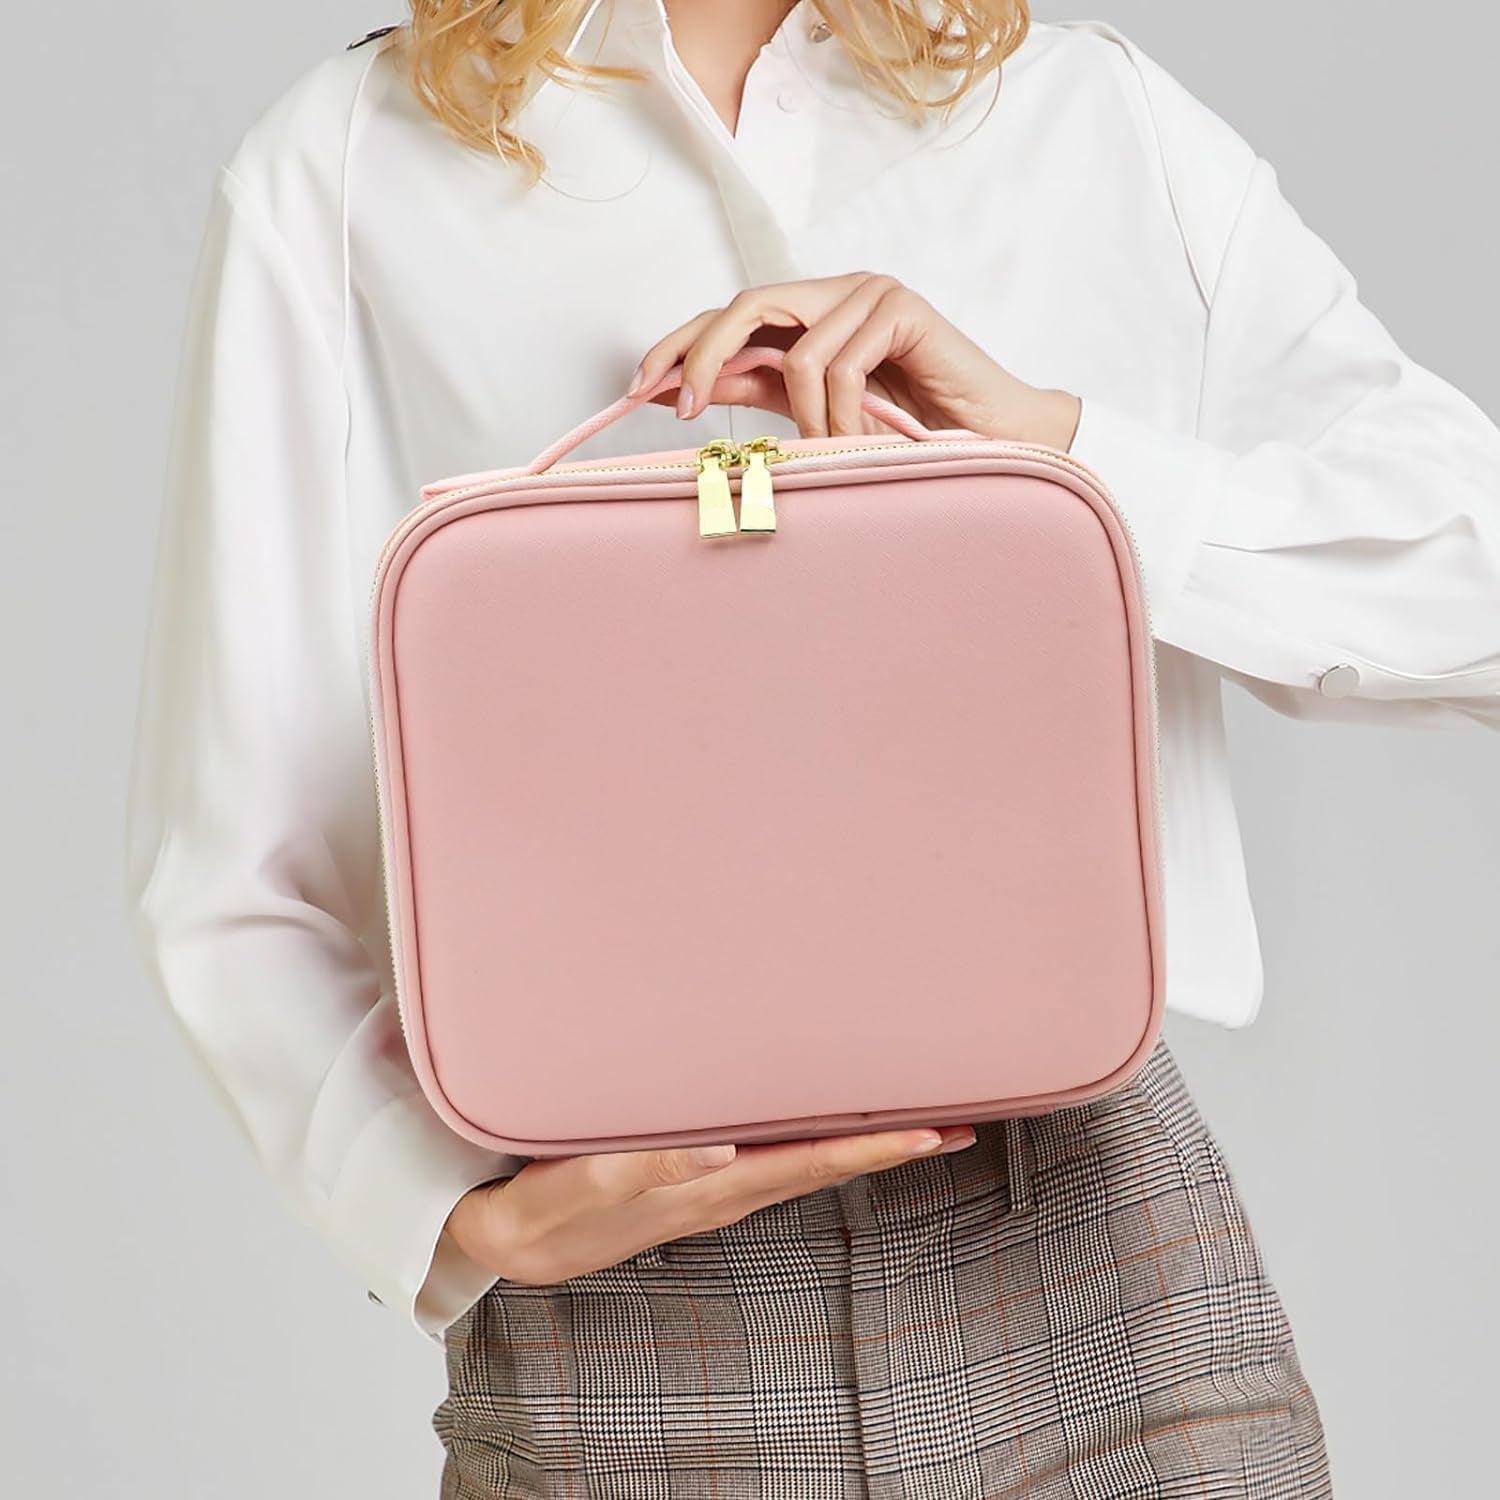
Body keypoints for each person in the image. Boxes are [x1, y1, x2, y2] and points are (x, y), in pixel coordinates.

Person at [123, 2, 1500, 1495]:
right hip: (628, 1284)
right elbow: (235, 829)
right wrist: (437, 1209)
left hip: (1091, 1229)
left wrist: (1055, 449)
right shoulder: (347, 163)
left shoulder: (1086, 114)